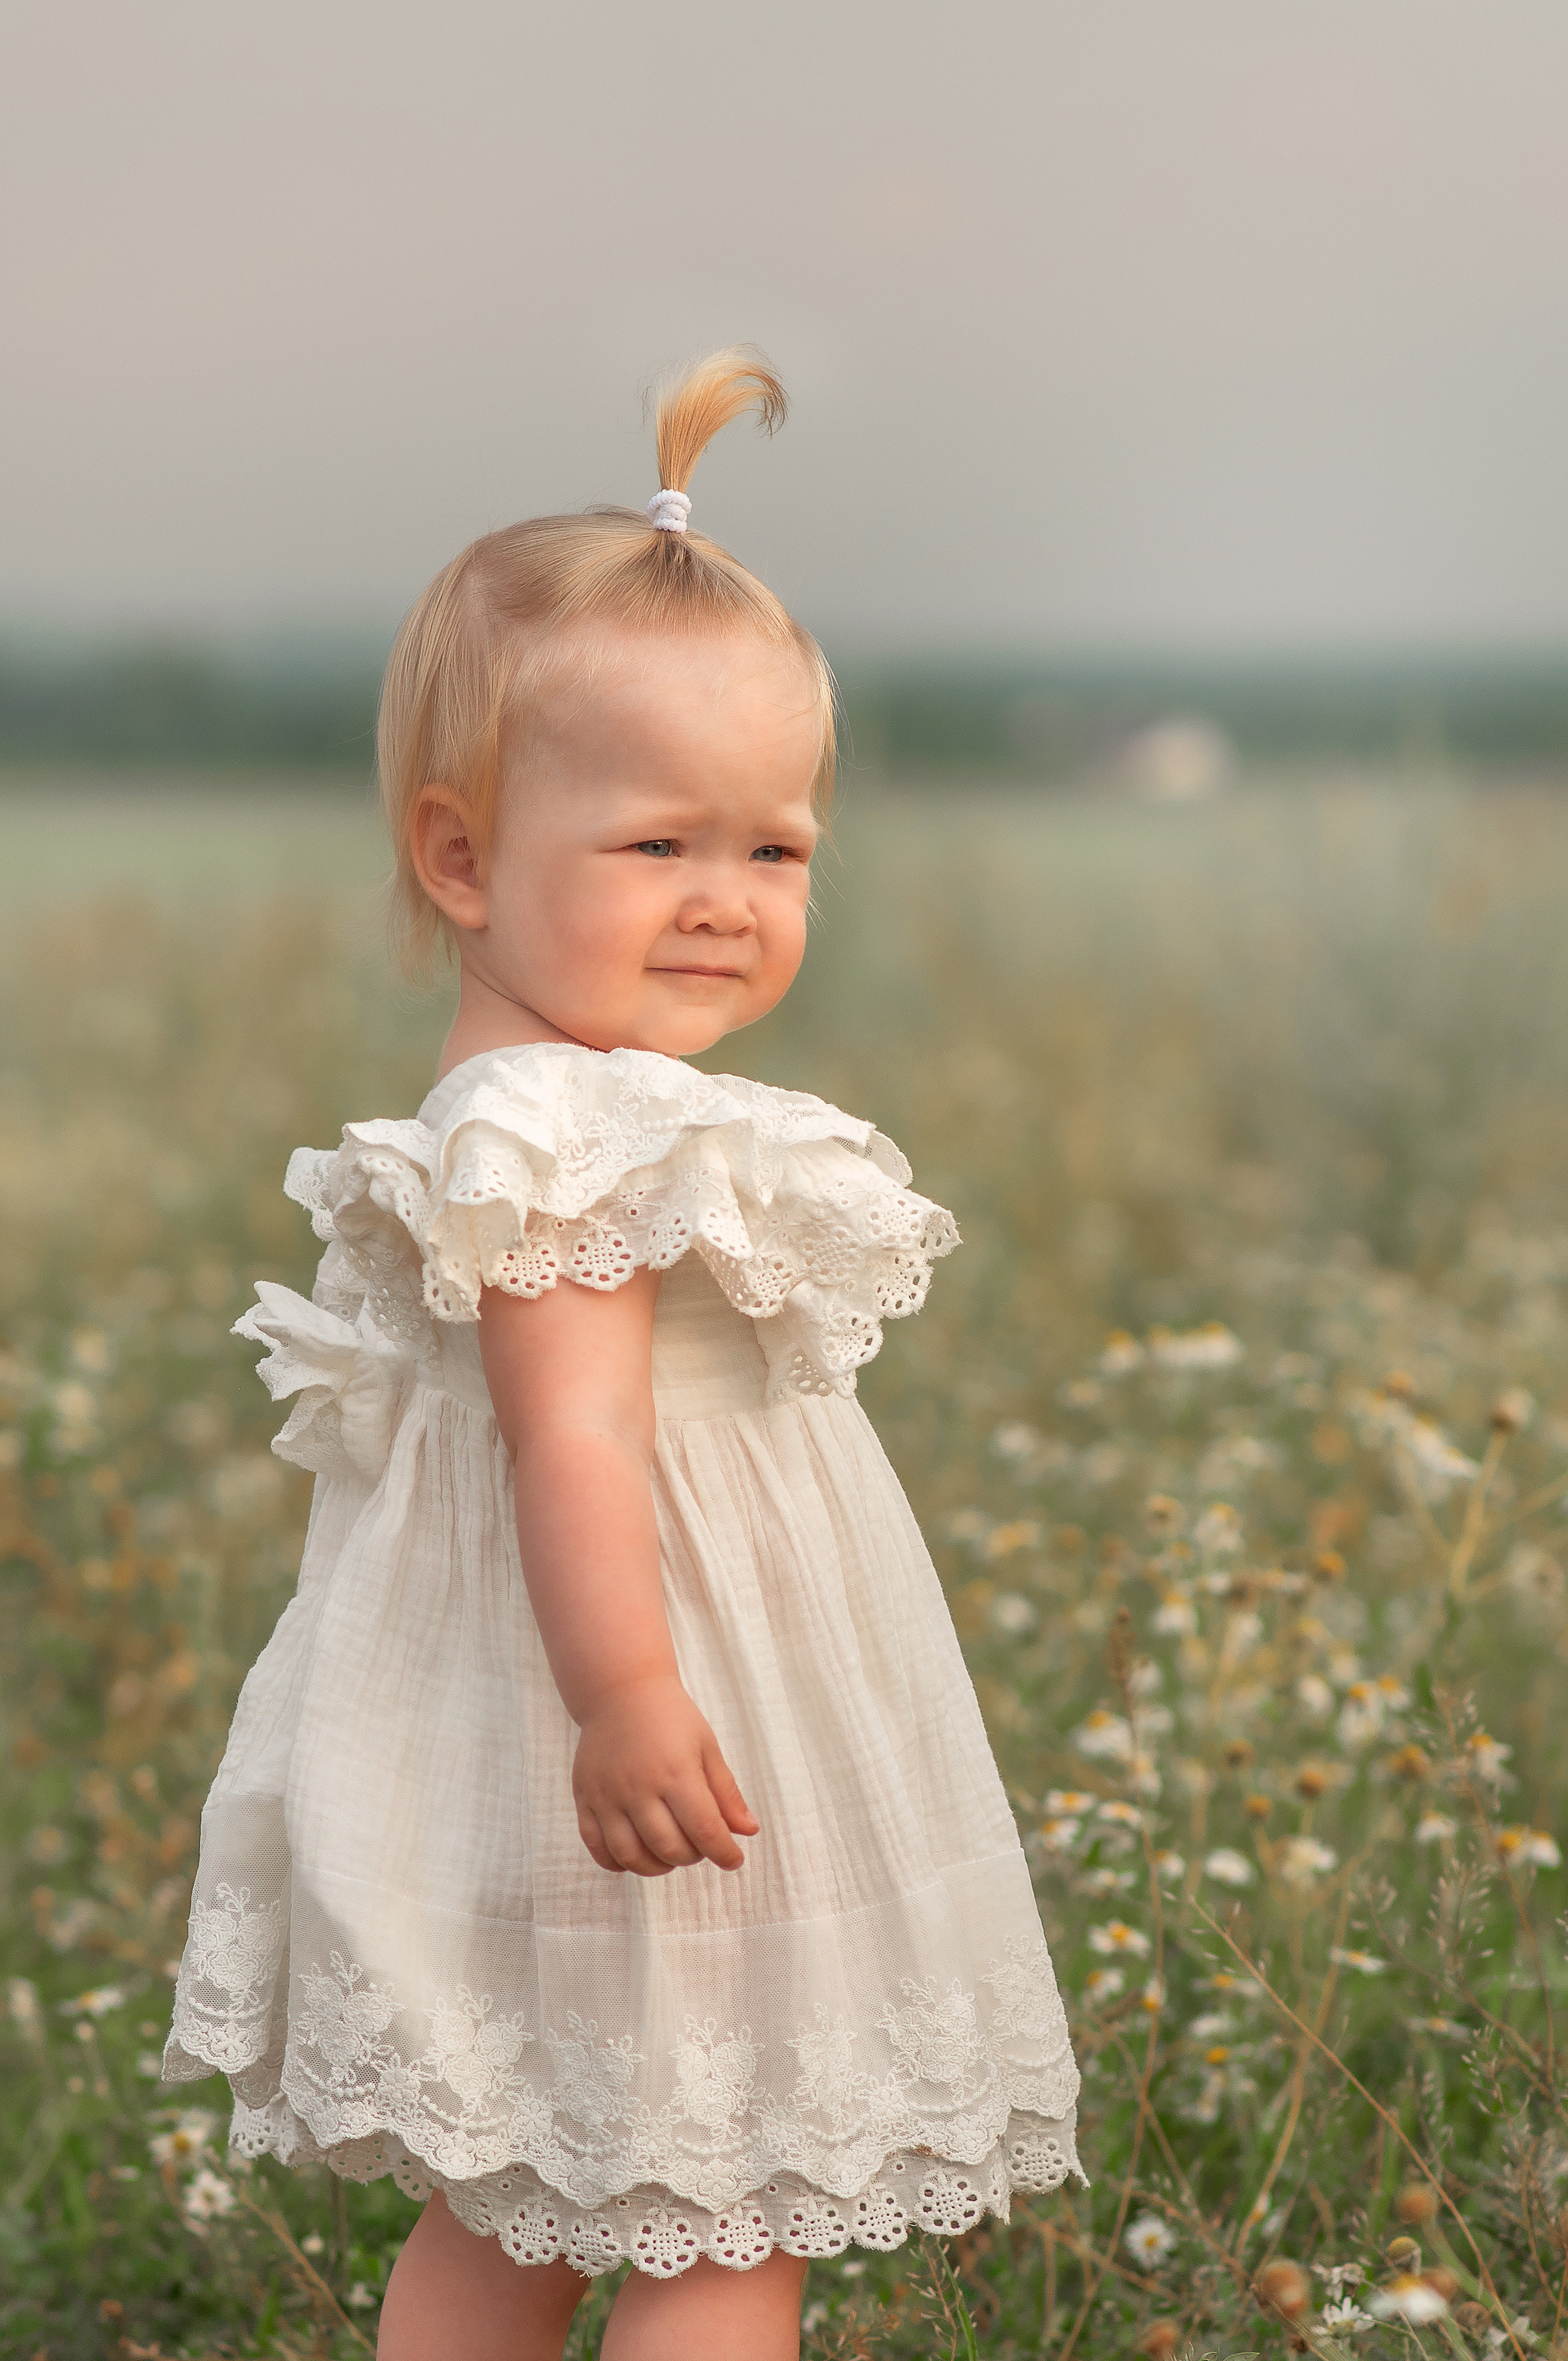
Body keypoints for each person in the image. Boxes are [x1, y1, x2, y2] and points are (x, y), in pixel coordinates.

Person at [162, 348, 1082, 2360]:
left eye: (778, 850)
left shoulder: (537, 1103)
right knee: (721, 2207)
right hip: (648, 1718)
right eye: (664, 844)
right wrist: (634, 1698)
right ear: (464, 859)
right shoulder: (574, 1132)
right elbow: (575, 1441)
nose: (730, 902)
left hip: (543, 1727)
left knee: (522, 2210)